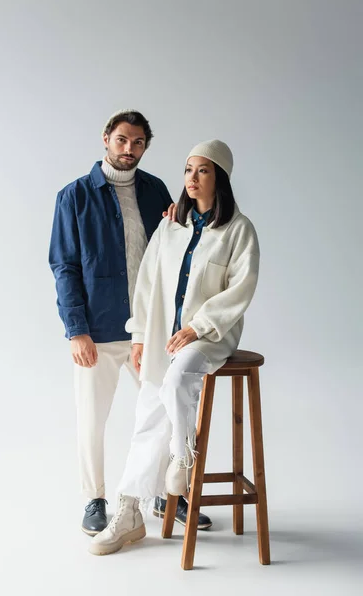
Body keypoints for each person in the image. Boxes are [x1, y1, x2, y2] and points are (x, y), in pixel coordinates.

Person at [89, 139, 260, 556]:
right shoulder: (171, 225)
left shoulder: (239, 231)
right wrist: (141, 336)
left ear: (219, 177)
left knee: (180, 375)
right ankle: (129, 511)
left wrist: (198, 327)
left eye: (202, 170)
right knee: (147, 412)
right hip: (163, 333)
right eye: (187, 170)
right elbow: (147, 283)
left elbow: (241, 289)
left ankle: (182, 459)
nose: (192, 178)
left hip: (211, 337)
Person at [49, 110, 212, 537]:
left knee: (166, 412)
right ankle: (95, 499)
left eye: (137, 142)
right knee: (92, 419)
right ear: (106, 138)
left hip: (150, 329)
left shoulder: (156, 190)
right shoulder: (75, 196)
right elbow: (64, 266)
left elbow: (178, 250)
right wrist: (76, 330)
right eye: (122, 139)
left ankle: (163, 495)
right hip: (98, 330)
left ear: (145, 147)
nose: (129, 149)